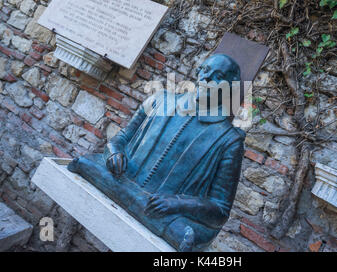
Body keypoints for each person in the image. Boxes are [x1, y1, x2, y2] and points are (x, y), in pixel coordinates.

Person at [68, 54, 245, 251]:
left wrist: (178, 203)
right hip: (123, 182)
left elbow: (220, 210)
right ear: (198, 72)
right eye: (205, 71)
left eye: (218, 76)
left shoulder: (230, 140)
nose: (207, 79)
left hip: (163, 211)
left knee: (184, 236)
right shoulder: (160, 100)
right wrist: (114, 152)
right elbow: (122, 138)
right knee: (83, 162)